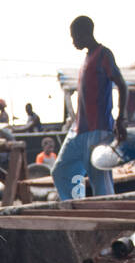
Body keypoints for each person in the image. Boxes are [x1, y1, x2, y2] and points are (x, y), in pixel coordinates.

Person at [52, 15, 128, 200]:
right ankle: (76, 208)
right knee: (61, 170)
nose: (73, 42)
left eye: (74, 37)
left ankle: (108, 222)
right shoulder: (87, 58)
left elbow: (122, 85)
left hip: (99, 131)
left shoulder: (103, 54)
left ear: (85, 34)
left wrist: (121, 119)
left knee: (101, 182)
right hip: (79, 130)